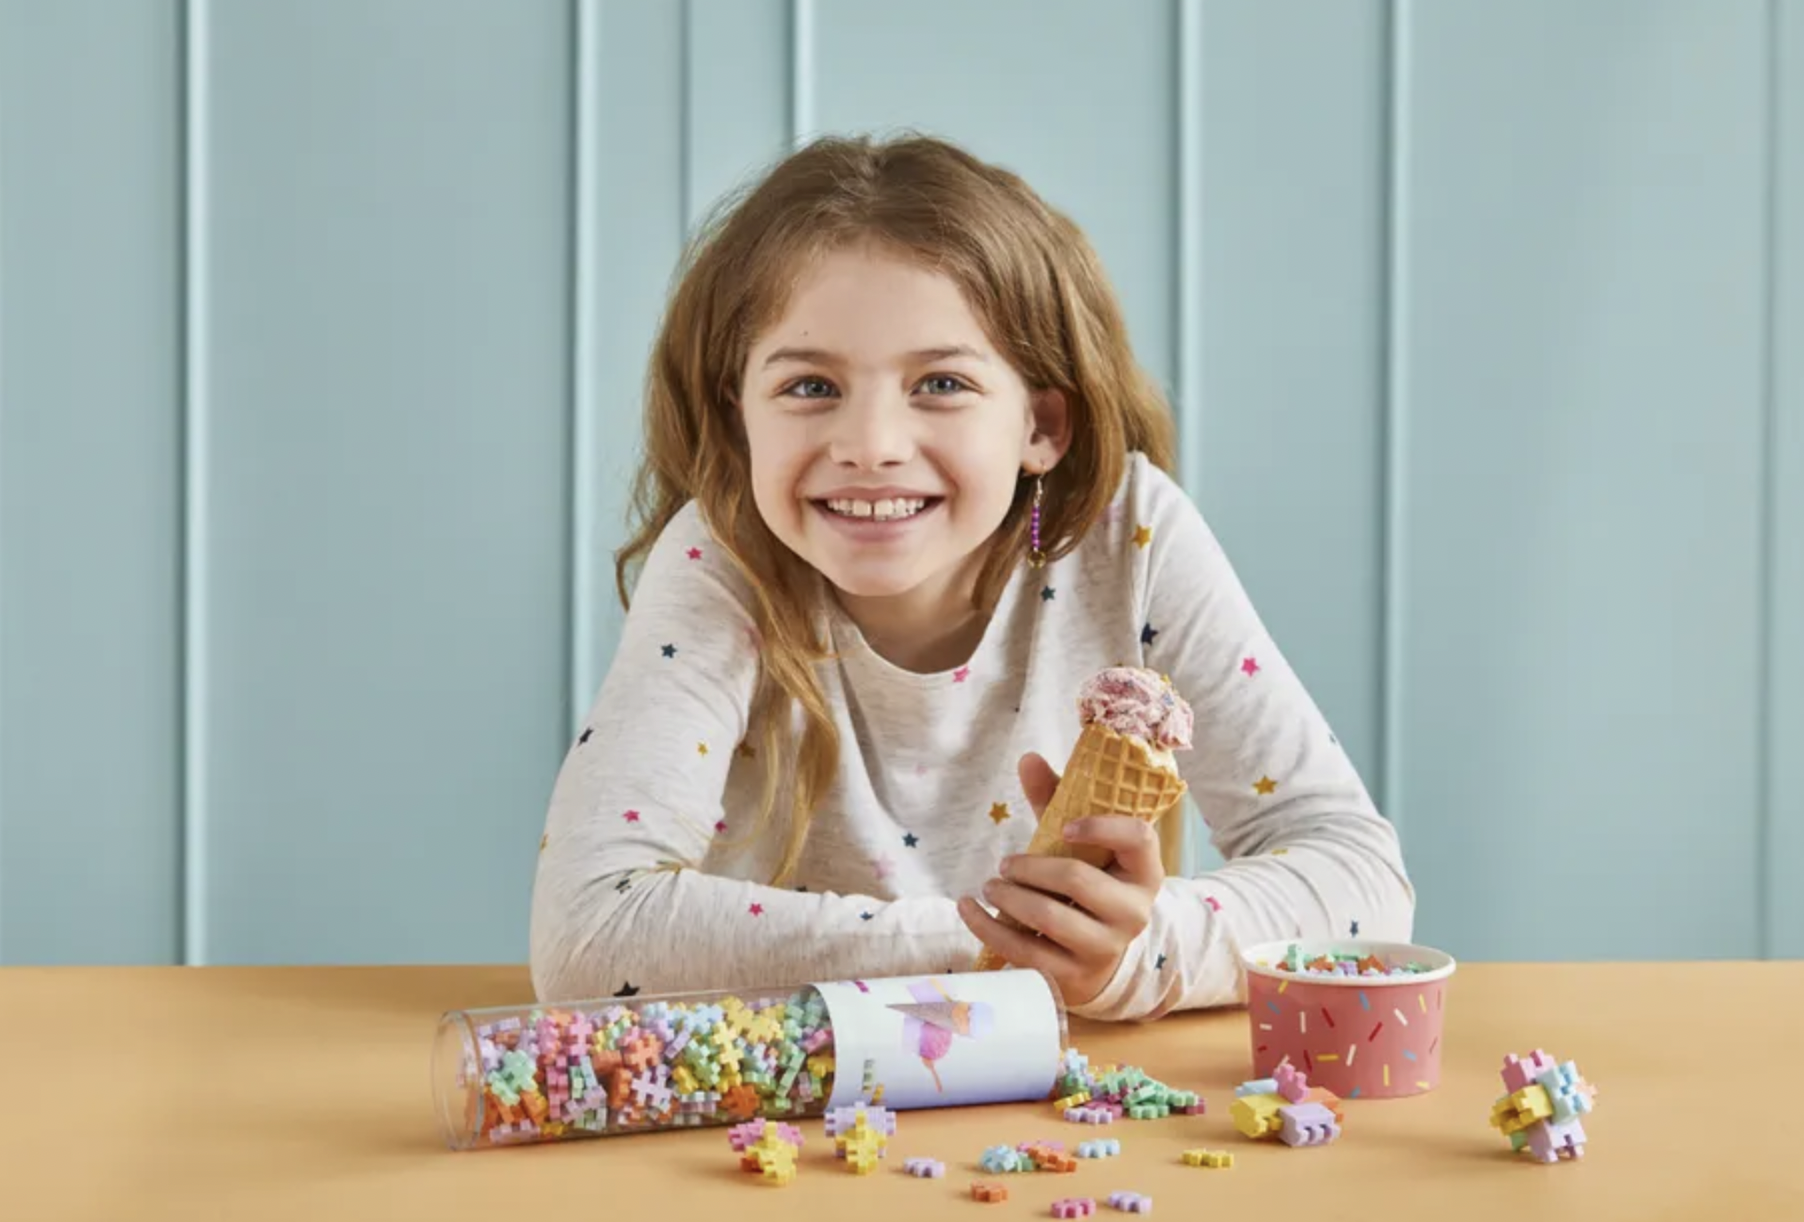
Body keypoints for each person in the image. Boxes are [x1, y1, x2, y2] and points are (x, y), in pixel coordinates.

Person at [529, 132, 1414, 1020]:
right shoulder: (726, 559)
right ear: (739, 420)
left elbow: (1358, 876)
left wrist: (1131, 951)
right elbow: (588, 932)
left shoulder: (1129, 537)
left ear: (1042, 426)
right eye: (810, 387)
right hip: (796, 1089)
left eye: (942, 384)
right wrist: (1011, 946)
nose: (871, 446)